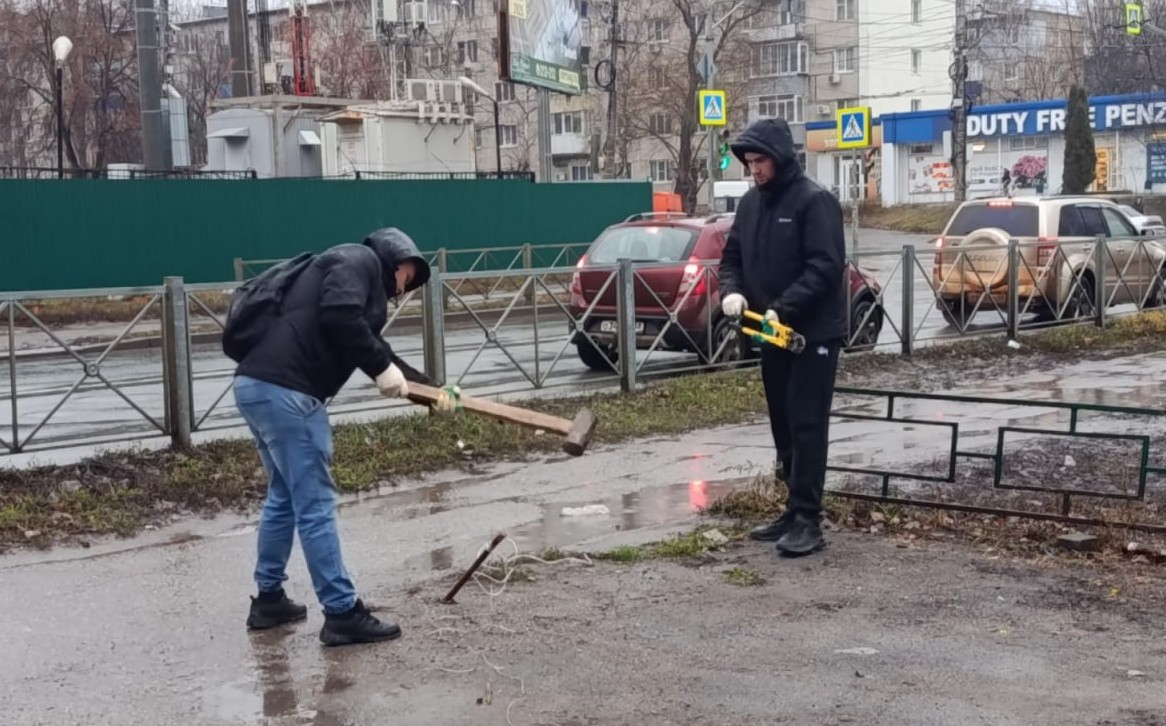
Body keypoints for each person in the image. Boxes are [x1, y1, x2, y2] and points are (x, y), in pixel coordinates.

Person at [232, 227, 455, 646]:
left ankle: (269, 600)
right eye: (409, 274)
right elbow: (341, 318)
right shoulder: (357, 260)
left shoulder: (350, 276)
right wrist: (379, 369)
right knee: (315, 505)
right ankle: (342, 613)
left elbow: (374, 347)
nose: (406, 287)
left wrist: (431, 393)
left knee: (283, 496)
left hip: (256, 386)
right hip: (289, 395)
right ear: (395, 259)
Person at [718, 118, 847, 557]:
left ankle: (809, 519)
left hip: (811, 332)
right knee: (784, 422)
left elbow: (825, 267)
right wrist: (731, 292)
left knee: (808, 422)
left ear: (780, 157)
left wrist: (783, 306)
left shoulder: (814, 201)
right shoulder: (751, 205)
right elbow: (731, 255)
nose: (754, 169)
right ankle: (792, 509)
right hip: (768, 330)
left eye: (761, 161)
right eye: (749, 162)